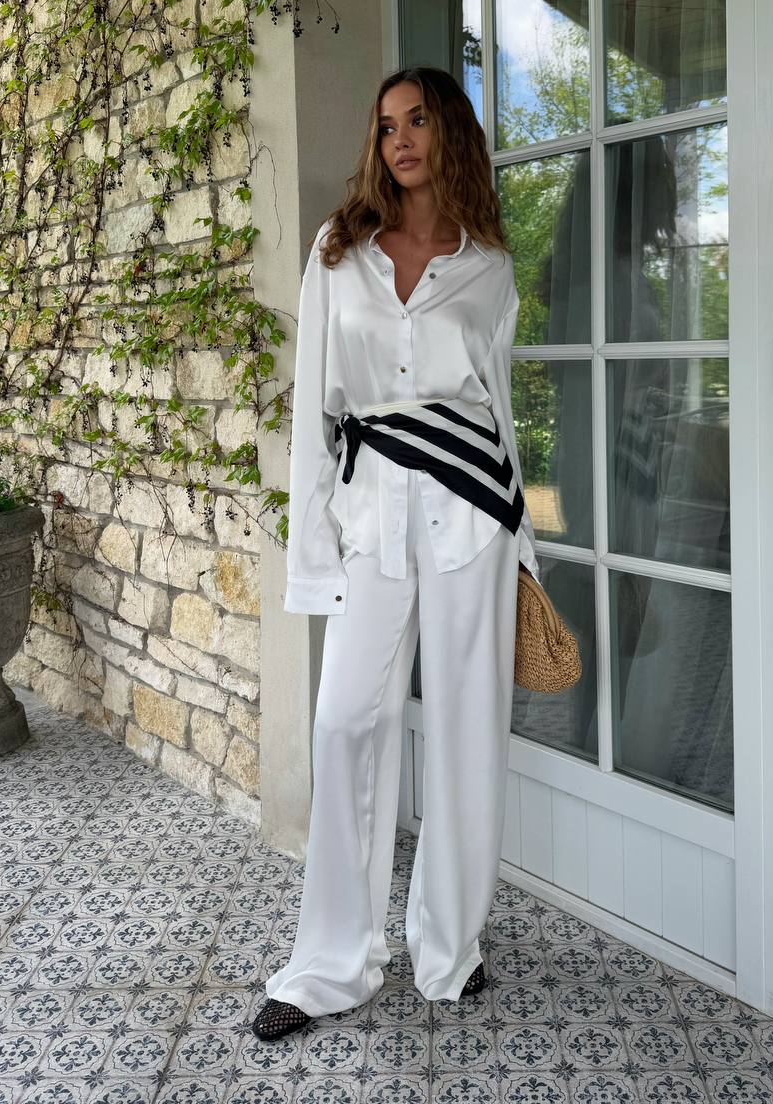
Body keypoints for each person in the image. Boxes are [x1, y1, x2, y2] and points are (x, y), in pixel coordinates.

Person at [253, 65, 540, 1041]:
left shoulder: (489, 267)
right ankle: (332, 961)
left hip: (471, 522)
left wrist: (526, 545)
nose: (400, 139)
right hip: (375, 517)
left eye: (417, 120)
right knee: (345, 722)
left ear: (447, 132)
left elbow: (498, 414)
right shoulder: (340, 257)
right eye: (385, 126)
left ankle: (448, 949)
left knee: (468, 736)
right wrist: (316, 550)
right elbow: (314, 414)